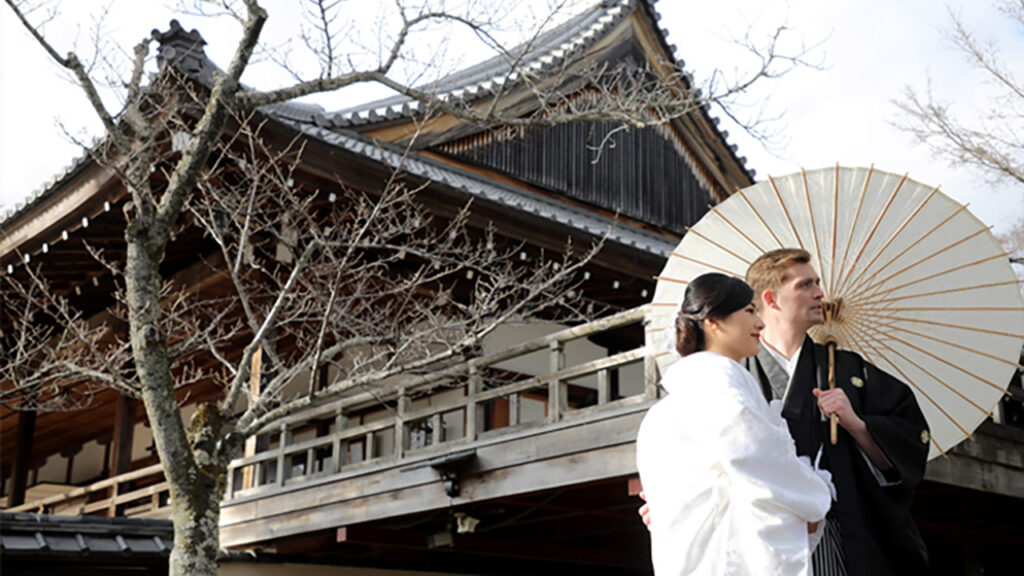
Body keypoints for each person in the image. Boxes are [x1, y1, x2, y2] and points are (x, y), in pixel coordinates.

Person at [640, 249, 932, 576]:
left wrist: (858, 425)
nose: (820, 293)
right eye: (806, 285)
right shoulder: (729, 375)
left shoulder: (851, 372)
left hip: (840, 532)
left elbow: (908, 441)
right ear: (771, 299)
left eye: (817, 283)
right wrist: (679, 502)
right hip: (761, 543)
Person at [636, 272, 833, 576]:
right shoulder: (722, 387)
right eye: (750, 311)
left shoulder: (665, 409)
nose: (761, 323)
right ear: (713, 321)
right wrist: (816, 491)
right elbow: (758, 462)